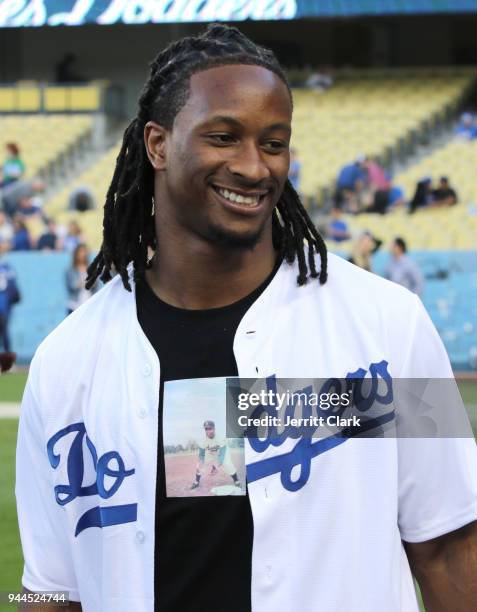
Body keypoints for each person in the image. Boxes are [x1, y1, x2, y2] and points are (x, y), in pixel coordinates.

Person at [16, 24, 477, 612]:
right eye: (223, 136)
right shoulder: (65, 362)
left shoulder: (390, 324)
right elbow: (50, 592)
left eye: (274, 142)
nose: (254, 167)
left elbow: (450, 547)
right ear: (158, 145)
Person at [190, 420, 241, 490]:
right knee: (200, 465)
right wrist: (200, 462)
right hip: (210, 452)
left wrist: (219, 463)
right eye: (206, 429)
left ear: (214, 428)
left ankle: (236, 480)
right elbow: (201, 454)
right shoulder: (202, 440)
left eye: (210, 428)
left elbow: (222, 452)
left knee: (226, 464)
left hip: (222, 451)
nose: (208, 431)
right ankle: (196, 482)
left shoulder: (220, 437)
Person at [0, 243, 20, 363]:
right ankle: (8, 364)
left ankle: (7, 362)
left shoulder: (7, 267)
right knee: (5, 333)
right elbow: (13, 289)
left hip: (4, 305)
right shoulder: (7, 267)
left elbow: (13, 289)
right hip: (4, 306)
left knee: (5, 332)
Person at [65, 244, 96, 314]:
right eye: (80, 252)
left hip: (89, 303)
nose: (82, 254)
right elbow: (71, 286)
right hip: (74, 304)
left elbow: (95, 285)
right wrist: (84, 283)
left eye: (84, 252)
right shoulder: (70, 270)